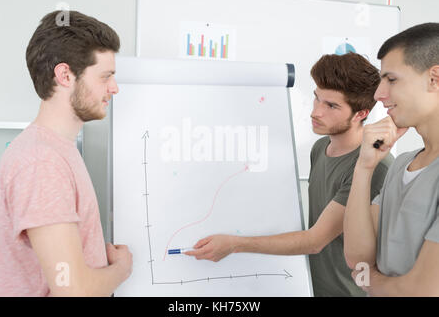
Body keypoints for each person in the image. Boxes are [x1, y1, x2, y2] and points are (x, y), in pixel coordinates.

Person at [185, 52, 394, 296]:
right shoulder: (320, 148)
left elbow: (315, 241)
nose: (316, 112)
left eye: (331, 106)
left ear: (361, 114)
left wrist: (235, 244)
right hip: (310, 287)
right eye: (317, 99)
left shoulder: (375, 165)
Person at [0, 10, 132, 296]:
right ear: (65, 75)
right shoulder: (41, 163)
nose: (114, 88)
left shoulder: (55, 152)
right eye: (105, 77)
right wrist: (122, 269)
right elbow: (73, 292)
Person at [343, 23, 439, 296]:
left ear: (434, 78)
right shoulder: (401, 163)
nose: (378, 94)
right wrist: (364, 167)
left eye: (392, 80)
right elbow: (358, 261)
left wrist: (371, 281)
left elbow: (423, 290)